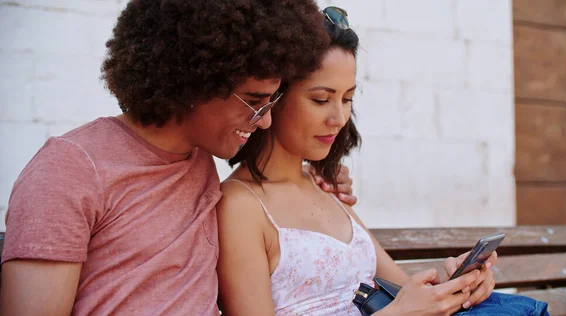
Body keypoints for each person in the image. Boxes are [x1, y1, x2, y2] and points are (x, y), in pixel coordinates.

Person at [0, 1, 358, 315]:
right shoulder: (70, 170)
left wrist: (321, 177)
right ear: (197, 81)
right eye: (254, 100)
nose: (264, 120)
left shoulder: (199, 159)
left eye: (271, 102)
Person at [216, 6, 549, 316]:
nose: (339, 117)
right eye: (321, 99)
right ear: (274, 96)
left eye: (347, 98)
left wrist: (458, 285)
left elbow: (403, 291)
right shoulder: (240, 205)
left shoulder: (325, 189)